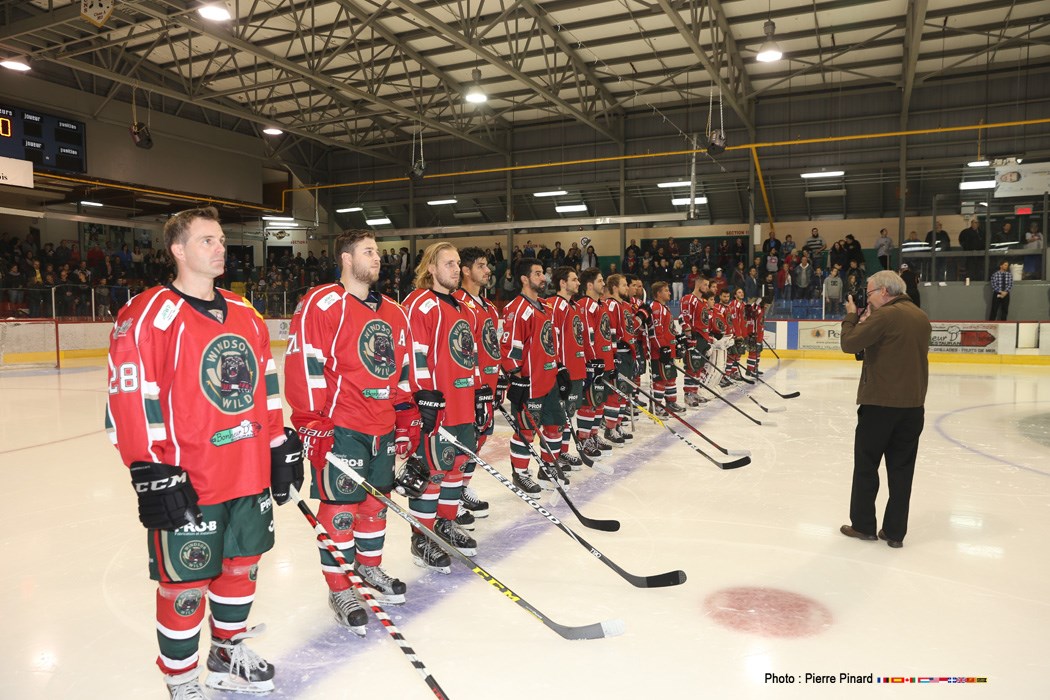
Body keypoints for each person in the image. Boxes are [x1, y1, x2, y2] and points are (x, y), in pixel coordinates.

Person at [106, 207, 303, 697]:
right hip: (190, 478)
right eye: (207, 240)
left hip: (248, 470)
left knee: (243, 565)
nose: (220, 248)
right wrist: (149, 467)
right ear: (178, 249)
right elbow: (128, 397)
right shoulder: (149, 313)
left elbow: (266, 386)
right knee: (185, 584)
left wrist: (278, 445)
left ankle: (225, 651)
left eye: (220, 240)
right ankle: (181, 680)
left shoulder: (245, 312)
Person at [285, 229, 421, 633]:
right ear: (346, 259)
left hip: (380, 427)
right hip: (341, 428)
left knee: (375, 505)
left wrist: (405, 416)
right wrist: (311, 422)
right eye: (367, 251)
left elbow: (401, 373)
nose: (376, 257)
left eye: (377, 251)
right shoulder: (323, 303)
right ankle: (340, 586)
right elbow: (305, 364)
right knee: (341, 511)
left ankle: (369, 568)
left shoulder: (395, 312)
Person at [839, 270, 931, 549]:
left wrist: (852, 316)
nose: (867, 299)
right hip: (913, 406)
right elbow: (889, 349)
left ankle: (864, 525)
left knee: (867, 465)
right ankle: (894, 532)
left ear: (883, 292)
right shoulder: (920, 316)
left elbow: (849, 343)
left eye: (868, 294)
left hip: (880, 404)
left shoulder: (886, 315)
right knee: (902, 470)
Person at [403, 243, 480, 559]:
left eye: (457, 263)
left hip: (462, 404)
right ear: (430, 268)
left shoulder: (462, 306)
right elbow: (412, 353)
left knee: (456, 470)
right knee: (432, 472)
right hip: (436, 410)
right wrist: (423, 399)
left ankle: (446, 524)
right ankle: (421, 537)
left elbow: (467, 355)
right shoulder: (420, 304)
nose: (455, 269)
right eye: (448, 263)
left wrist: (479, 393)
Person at [501, 257, 568, 493]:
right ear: (524, 278)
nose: (544, 278)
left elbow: (551, 342)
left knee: (555, 425)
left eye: (543, 273)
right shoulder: (516, 309)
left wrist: (559, 367)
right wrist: (516, 378)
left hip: (548, 380)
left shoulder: (546, 307)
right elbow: (509, 349)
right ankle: (520, 473)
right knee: (526, 430)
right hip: (530, 383)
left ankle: (547, 468)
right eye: (538, 274)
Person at [453, 247, 501, 521]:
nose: (487, 270)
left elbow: (493, 347)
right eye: (481, 265)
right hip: (470, 390)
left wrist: (500, 379)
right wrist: (476, 386)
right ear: (466, 270)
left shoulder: (490, 308)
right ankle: (450, 496)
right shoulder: (458, 303)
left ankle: (462, 488)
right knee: (463, 444)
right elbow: (461, 351)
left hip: (488, 388)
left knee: (477, 442)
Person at [547, 266, 599, 466]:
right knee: (558, 416)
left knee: (569, 413)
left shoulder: (575, 307)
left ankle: (563, 450)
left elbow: (581, 339)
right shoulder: (555, 305)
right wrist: (558, 366)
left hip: (577, 371)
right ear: (562, 283)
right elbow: (551, 340)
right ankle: (554, 454)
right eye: (574, 279)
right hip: (563, 372)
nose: (578, 283)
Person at [576, 267, 618, 453]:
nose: (604, 284)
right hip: (593, 364)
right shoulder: (585, 305)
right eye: (600, 281)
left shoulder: (600, 305)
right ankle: (584, 438)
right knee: (589, 402)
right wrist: (593, 363)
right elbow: (587, 337)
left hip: (605, 362)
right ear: (590, 284)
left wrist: (612, 360)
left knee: (599, 401)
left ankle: (593, 435)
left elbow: (606, 336)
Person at [645, 281, 686, 416]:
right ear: (658, 293)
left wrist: (678, 340)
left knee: (671, 377)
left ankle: (671, 402)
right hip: (660, 353)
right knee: (660, 379)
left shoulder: (665, 308)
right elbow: (655, 332)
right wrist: (663, 349)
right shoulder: (655, 308)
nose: (669, 292)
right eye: (666, 290)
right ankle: (656, 405)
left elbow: (670, 329)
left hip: (668, 350)